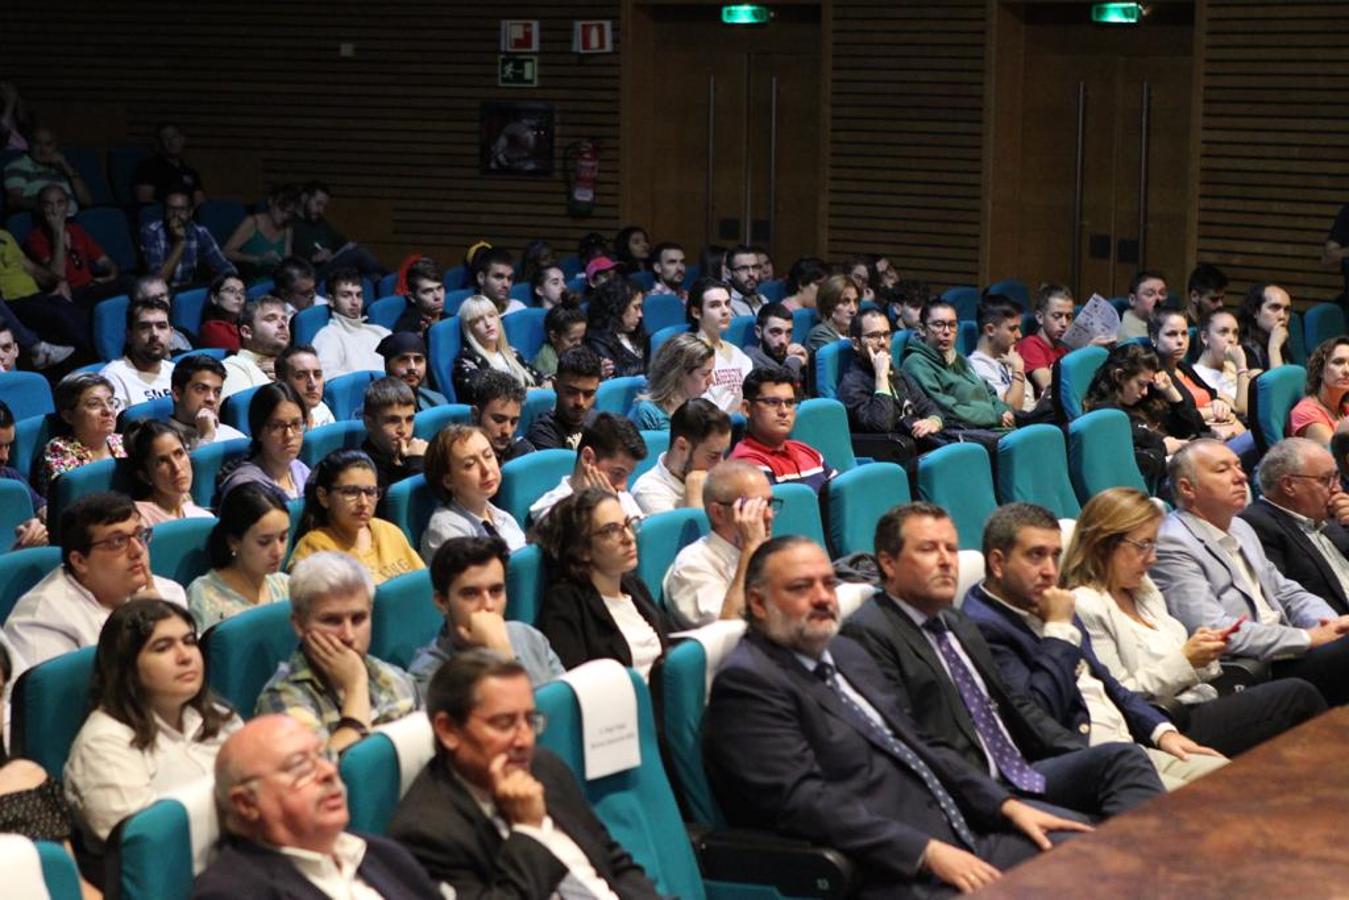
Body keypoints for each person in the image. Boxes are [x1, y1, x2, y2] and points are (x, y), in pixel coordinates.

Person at [705, 535, 1091, 898]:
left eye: (828, 583)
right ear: (758, 603)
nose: (823, 598)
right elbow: (804, 804)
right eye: (801, 588)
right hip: (890, 869)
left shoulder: (845, 652)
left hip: (960, 828)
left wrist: (1004, 806)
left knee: (1095, 851)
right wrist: (925, 851)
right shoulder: (749, 683)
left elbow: (921, 743)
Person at [841, 503, 1165, 817]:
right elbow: (912, 742)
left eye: (951, 550)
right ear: (888, 563)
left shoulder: (953, 622)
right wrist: (1003, 804)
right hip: (977, 791)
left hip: (1022, 770)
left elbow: (1017, 707)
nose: (945, 562)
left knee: (1124, 761)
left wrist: (1083, 755)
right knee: (1115, 796)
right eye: (928, 549)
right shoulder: (869, 632)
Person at [961, 503, 1228, 790]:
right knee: (1214, 804)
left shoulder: (1048, 599)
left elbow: (1109, 683)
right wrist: (1059, 632)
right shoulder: (983, 629)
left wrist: (1160, 731)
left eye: (1055, 556)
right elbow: (1038, 716)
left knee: (1240, 780)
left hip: (1131, 747)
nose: (1050, 571)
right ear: (998, 563)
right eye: (1036, 556)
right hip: (1086, 764)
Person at [1061, 487, 1326, 757]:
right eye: (1144, 545)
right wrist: (1185, 659)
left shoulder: (1143, 590)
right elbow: (1119, 695)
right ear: (1104, 544)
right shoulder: (1084, 605)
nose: (1152, 558)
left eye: (1155, 545)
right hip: (1164, 724)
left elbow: (1188, 662)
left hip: (1203, 698)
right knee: (1297, 696)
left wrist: (1206, 650)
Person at [389, 651, 656, 898]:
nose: (524, 740)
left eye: (530, 720)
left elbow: (612, 861)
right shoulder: (425, 834)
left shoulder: (544, 766)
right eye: (504, 723)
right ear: (448, 730)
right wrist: (529, 830)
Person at [1151, 439, 1349, 706]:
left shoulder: (1240, 527)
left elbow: (1286, 591)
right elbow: (1212, 630)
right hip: (1251, 667)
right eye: (1223, 470)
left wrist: (1329, 623)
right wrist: (1307, 638)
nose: (1240, 476)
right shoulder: (1173, 543)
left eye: (1238, 466)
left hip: (1288, 650)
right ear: (1187, 488)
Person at [194, 714, 441, 899]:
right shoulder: (232, 892)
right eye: (301, 767)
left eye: (323, 757)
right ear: (246, 803)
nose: (328, 772)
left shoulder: (381, 853)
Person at [64, 598, 241, 848]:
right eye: (162, 647)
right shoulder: (104, 745)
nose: (185, 656)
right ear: (127, 665)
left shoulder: (219, 716)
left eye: (190, 642)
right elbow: (145, 847)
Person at [255, 552, 420, 751]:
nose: (348, 636)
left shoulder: (396, 678)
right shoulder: (279, 701)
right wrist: (356, 687)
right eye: (332, 621)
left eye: (359, 619)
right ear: (299, 625)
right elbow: (327, 777)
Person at [5, 492, 187, 667]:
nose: (138, 550)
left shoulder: (168, 592)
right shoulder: (42, 622)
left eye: (140, 535)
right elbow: (72, 697)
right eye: (117, 541)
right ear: (79, 561)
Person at [535, 489, 676, 677]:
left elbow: (673, 648)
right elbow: (577, 683)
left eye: (627, 524)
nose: (629, 538)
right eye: (611, 531)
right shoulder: (565, 603)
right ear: (581, 549)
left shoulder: (633, 586)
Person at [409, 540, 563, 689]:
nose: (488, 605)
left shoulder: (530, 638)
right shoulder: (429, 676)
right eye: (471, 594)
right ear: (442, 602)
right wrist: (501, 657)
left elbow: (563, 711)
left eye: (496, 591)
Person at [1241, 439, 1349, 616]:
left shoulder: (1328, 515)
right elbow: (1282, 601)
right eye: (1326, 480)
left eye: (1337, 477)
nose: (1337, 488)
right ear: (1289, 485)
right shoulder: (1258, 525)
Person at [663, 460, 775, 626]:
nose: (769, 516)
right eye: (755, 507)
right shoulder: (692, 566)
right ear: (718, 513)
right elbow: (728, 630)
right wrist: (750, 549)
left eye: (769, 504)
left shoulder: (769, 552)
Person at [289, 450, 424, 585]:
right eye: (351, 492)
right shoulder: (313, 550)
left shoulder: (388, 531)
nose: (363, 503)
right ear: (324, 497)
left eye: (371, 492)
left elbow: (424, 585)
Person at [1082, 343, 1204, 487]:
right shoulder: (1105, 415)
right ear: (1119, 376)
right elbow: (1132, 459)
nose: (1145, 391)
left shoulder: (1145, 402)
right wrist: (1163, 447)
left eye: (1148, 384)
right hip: (1162, 481)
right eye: (1141, 384)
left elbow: (1193, 428)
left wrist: (1170, 391)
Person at [838, 307, 949, 465]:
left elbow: (930, 407)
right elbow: (881, 425)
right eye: (874, 336)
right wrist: (881, 377)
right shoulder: (852, 384)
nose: (883, 342)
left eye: (886, 335)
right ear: (856, 343)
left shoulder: (899, 374)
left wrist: (933, 421)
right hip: (891, 457)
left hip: (920, 449)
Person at [187, 483, 291, 630]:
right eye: (264, 542)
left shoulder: (285, 586)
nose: (278, 552)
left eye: (283, 538)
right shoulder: (204, 595)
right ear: (234, 542)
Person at [903, 300, 1015, 432]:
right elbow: (947, 410)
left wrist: (1002, 410)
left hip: (992, 426)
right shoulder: (916, 363)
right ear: (922, 329)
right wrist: (995, 417)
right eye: (939, 325)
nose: (946, 331)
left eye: (952, 325)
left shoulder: (957, 357)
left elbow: (988, 391)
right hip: (965, 432)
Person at [421, 425, 524, 560]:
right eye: (470, 464)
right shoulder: (446, 530)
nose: (486, 469)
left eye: (488, 456)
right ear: (448, 481)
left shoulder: (503, 518)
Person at [731, 365, 837, 494]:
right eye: (773, 402)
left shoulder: (809, 452)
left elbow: (840, 501)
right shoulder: (746, 465)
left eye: (789, 403)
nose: (783, 411)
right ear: (747, 409)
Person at [529, 413, 647, 524]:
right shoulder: (550, 510)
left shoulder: (619, 495)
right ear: (588, 458)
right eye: (617, 473)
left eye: (627, 475)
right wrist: (607, 507)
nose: (623, 487)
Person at [1149, 309, 1245, 442]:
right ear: (1154, 337)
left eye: (1184, 333)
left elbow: (1212, 394)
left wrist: (1219, 403)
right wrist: (1210, 412)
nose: (1180, 341)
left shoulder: (1184, 367)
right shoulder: (1156, 376)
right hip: (1195, 443)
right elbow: (1180, 422)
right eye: (1171, 334)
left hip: (1221, 436)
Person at [24, 184, 125, 306]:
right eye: (48, 204)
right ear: (40, 208)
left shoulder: (76, 230)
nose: (55, 210)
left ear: (67, 206)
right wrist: (58, 232)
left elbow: (104, 260)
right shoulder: (35, 238)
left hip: (91, 287)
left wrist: (111, 274)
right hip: (69, 293)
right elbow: (56, 276)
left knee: (130, 283)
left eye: (60, 203)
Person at [0, 225, 93, 356]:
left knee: (74, 309)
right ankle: (91, 358)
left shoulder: (5, 236)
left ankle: (95, 356)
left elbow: (31, 268)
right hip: (14, 302)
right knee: (59, 315)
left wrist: (59, 280)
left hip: (36, 295)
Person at [632, 398, 731, 515]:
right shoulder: (648, 492)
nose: (721, 465)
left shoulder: (715, 478)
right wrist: (694, 493)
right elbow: (695, 533)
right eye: (713, 456)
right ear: (682, 447)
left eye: (723, 455)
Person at [217, 382, 311, 502]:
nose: (289, 435)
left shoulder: (301, 470)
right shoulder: (245, 487)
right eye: (277, 426)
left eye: (296, 424)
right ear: (258, 431)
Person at [39, 372, 126, 498]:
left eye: (111, 402)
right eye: (94, 404)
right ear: (69, 416)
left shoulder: (122, 442)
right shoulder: (59, 450)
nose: (108, 411)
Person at [452, 295, 539, 405]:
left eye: (491, 316)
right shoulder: (466, 360)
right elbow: (485, 393)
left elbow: (539, 377)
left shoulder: (512, 353)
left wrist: (548, 384)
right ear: (469, 329)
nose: (488, 324)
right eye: (478, 320)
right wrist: (523, 392)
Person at [140, 189, 236, 289]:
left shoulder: (200, 233)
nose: (175, 215)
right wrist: (180, 242)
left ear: (190, 211)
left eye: (181, 209)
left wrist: (228, 281)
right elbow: (158, 281)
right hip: (159, 293)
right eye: (171, 209)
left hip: (187, 289)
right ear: (165, 210)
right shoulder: (151, 232)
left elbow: (224, 266)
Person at [291, 180, 386, 279]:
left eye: (324, 206)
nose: (321, 210)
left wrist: (348, 247)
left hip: (329, 266)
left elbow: (340, 242)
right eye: (318, 204)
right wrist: (313, 258)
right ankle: (391, 279)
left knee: (369, 273)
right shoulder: (292, 224)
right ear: (304, 198)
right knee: (359, 254)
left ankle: (387, 281)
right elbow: (288, 258)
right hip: (309, 272)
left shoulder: (321, 223)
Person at [688, 277, 754, 414]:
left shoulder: (737, 353)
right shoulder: (689, 354)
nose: (725, 311)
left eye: (727, 303)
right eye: (715, 305)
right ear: (696, 312)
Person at [126, 420, 211, 525]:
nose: (177, 467)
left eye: (179, 454)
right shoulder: (139, 521)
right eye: (162, 461)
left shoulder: (201, 516)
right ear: (145, 476)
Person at [101, 297, 176, 412]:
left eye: (161, 326)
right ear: (129, 335)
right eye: (144, 327)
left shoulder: (175, 371)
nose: (154, 334)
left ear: (171, 333)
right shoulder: (113, 377)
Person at [630, 331, 714, 431]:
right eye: (705, 374)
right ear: (679, 373)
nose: (711, 380)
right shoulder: (647, 413)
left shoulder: (702, 410)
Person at [313, 267, 388, 376]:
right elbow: (326, 377)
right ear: (331, 300)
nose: (355, 302)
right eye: (346, 295)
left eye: (359, 295)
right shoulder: (327, 336)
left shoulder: (381, 332)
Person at [525, 346, 601, 450]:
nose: (580, 402)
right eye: (571, 392)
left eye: (588, 394)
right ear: (555, 386)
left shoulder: (600, 423)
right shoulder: (543, 433)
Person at [164, 353, 245, 450]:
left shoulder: (233, 435)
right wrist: (207, 437)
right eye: (200, 389)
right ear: (177, 394)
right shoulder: (163, 443)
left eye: (217, 392)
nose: (211, 399)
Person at [359, 376, 426, 492]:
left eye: (409, 419)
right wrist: (417, 464)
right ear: (369, 423)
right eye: (393, 420)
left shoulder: (414, 452)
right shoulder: (362, 470)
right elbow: (397, 507)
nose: (403, 430)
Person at [3, 127, 91, 213]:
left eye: (48, 144)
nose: (42, 149)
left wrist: (66, 166)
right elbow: (13, 201)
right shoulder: (18, 166)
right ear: (30, 145)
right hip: (42, 219)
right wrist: (46, 205)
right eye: (37, 143)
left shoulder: (62, 168)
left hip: (73, 220)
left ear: (55, 146)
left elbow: (86, 201)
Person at [968, 297, 1033, 412]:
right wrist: (1018, 368)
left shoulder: (1009, 357)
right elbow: (1012, 409)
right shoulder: (976, 367)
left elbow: (1029, 402)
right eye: (1013, 329)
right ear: (990, 330)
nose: (1019, 335)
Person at [223, 184, 299, 281]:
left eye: (289, 213)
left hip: (278, 283)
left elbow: (286, 262)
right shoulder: (252, 222)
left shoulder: (287, 228)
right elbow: (226, 252)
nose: (284, 216)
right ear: (271, 202)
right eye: (281, 210)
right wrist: (258, 259)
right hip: (253, 281)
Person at [221, 295, 290, 398]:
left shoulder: (288, 369)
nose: (282, 324)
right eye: (270, 319)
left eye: (284, 319)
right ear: (247, 332)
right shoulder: (231, 368)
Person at [1015, 283, 1076, 398]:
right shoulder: (1030, 345)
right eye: (1057, 316)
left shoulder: (1064, 349)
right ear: (1040, 317)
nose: (1064, 323)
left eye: (1069, 317)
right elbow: (1047, 385)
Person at [0, 400, 47, 548]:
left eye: (7, 446)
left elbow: (43, 510)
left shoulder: (9, 476)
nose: (4, 457)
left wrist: (39, 526)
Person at [1191, 309, 1253, 419]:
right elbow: (1243, 412)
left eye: (1235, 333)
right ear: (1205, 337)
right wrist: (1241, 366)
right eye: (1223, 332)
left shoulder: (1234, 369)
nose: (1231, 339)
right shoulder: (1196, 375)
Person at [1289, 337, 1349, 446]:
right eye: (1338, 362)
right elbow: (1336, 458)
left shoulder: (1345, 409)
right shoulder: (1306, 413)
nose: (1347, 370)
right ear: (1320, 370)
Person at [585, 277, 647, 377]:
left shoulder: (637, 332)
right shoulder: (597, 340)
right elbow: (618, 375)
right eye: (636, 307)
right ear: (618, 308)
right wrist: (652, 365)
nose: (640, 314)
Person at [133, 122, 206, 205]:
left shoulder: (191, 172)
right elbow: (144, 200)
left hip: (189, 215)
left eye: (174, 137)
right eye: (166, 138)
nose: (171, 142)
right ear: (160, 143)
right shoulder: (148, 167)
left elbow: (200, 203)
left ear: (182, 139)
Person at [472, 370, 535, 464]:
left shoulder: (524, 451)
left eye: (513, 422)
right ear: (475, 415)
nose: (507, 431)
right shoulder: (462, 458)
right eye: (499, 420)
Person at [377, 330, 446, 410]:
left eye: (418, 360)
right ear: (387, 366)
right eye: (403, 360)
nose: (412, 367)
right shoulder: (376, 408)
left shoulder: (438, 401)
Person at [745, 302, 810, 386]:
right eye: (775, 332)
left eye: (788, 333)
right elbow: (782, 387)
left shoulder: (789, 355)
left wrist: (806, 365)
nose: (783, 341)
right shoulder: (751, 359)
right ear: (759, 332)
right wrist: (795, 362)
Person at [274, 344, 336, 428]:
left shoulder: (322, 410)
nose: (312, 384)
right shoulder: (274, 423)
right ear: (282, 381)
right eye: (300, 376)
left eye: (317, 375)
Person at [1236, 282, 1291, 374]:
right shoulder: (1243, 349)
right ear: (1255, 312)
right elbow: (1278, 386)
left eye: (1286, 310)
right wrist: (1274, 348)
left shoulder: (1283, 344)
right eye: (1274, 307)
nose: (1282, 316)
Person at [392, 257, 446, 337]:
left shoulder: (451, 320)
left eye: (439, 288)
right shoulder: (405, 330)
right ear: (412, 297)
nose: (437, 296)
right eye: (428, 291)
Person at [806, 273, 861, 351]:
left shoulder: (853, 332)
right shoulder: (819, 335)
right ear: (829, 306)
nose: (853, 310)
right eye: (845, 302)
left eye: (855, 301)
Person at [196, 272, 246, 353]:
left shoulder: (244, 324)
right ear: (214, 298)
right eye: (231, 291)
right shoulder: (212, 329)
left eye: (242, 293)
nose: (238, 296)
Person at [533, 304, 586, 379]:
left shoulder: (574, 353)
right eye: (572, 340)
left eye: (582, 338)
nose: (579, 344)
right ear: (554, 336)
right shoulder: (547, 366)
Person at [473, 247, 525, 316]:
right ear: (481, 278)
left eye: (509, 278)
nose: (506, 285)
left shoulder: (518, 309)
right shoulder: (469, 313)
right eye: (499, 277)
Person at [1117, 270, 1168, 340]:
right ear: (1132, 299)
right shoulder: (1125, 335)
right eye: (1150, 294)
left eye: (1162, 293)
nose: (1158, 298)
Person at [724, 244, 766, 317]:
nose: (751, 273)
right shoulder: (725, 304)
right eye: (743, 268)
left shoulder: (763, 299)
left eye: (755, 267)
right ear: (729, 273)